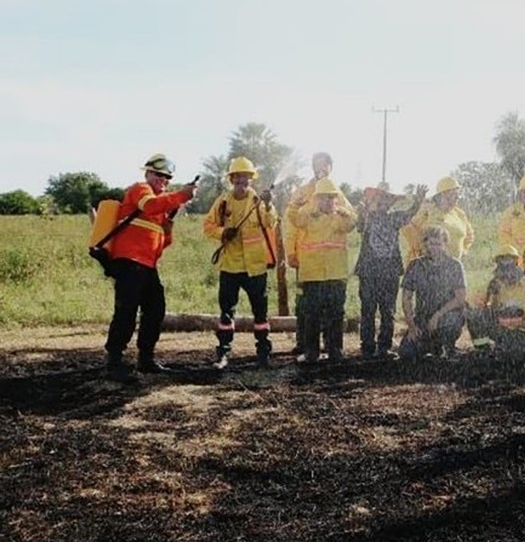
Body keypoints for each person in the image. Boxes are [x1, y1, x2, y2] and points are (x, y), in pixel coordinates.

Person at [104, 154, 197, 381]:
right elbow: (151, 206)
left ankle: (146, 358)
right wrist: (182, 195)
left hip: (147, 264)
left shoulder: (162, 204)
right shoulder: (140, 189)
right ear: (148, 173)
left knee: (156, 310)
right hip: (129, 262)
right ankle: (114, 360)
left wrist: (169, 224)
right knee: (126, 312)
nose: (163, 180)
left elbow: (164, 241)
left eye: (167, 177)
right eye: (159, 175)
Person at [203, 156, 277, 369]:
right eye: (238, 177)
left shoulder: (259, 202)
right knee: (226, 313)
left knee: (261, 314)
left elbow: (270, 222)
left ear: (251, 180)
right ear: (231, 179)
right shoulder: (223, 202)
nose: (242, 181)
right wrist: (224, 232)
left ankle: (263, 353)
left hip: (255, 267)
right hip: (230, 266)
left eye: (246, 177)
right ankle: (223, 353)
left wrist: (269, 204)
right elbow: (208, 226)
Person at [284, 152, 354, 357]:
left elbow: (352, 221)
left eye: (324, 165)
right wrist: (290, 252)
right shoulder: (306, 204)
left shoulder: (339, 199)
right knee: (309, 312)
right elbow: (293, 222)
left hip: (335, 271)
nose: (328, 200)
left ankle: (335, 350)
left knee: (335, 313)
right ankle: (309, 350)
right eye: (317, 165)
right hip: (311, 270)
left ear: (331, 167)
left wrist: (344, 212)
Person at [354, 183, 428, 360]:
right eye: (380, 200)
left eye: (387, 200)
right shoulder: (367, 217)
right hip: (369, 272)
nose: (383, 204)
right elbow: (359, 225)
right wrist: (362, 213)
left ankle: (384, 346)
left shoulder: (394, 218)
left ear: (391, 204)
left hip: (389, 272)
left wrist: (418, 201)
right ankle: (367, 346)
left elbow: (409, 214)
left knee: (388, 311)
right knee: (368, 310)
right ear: (373, 201)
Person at [398, 225, 467, 360]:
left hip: (446, 315)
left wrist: (437, 315)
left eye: (438, 244)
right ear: (425, 244)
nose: (434, 247)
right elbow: (406, 298)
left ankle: (448, 347)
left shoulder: (455, 266)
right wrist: (411, 326)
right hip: (422, 318)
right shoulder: (415, 265)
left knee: (451, 321)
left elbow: (460, 298)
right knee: (406, 353)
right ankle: (431, 346)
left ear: (445, 244)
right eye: (431, 244)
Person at [466, 245, 525, 358]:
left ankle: (514, 346)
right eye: (502, 262)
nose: (505, 266)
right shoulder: (493, 284)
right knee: (472, 314)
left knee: (515, 350)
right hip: (500, 327)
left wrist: (521, 311)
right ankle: (483, 350)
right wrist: (490, 301)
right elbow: (474, 303)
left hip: (523, 327)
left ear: (516, 262)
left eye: (508, 261)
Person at [402, 176, 474, 262]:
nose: (458, 197)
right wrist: (420, 249)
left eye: (458, 194)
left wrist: (462, 250)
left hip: (453, 266)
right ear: (444, 194)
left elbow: (469, 236)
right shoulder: (427, 210)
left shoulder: (459, 214)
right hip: (429, 264)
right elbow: (408, 229)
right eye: (454, 194)